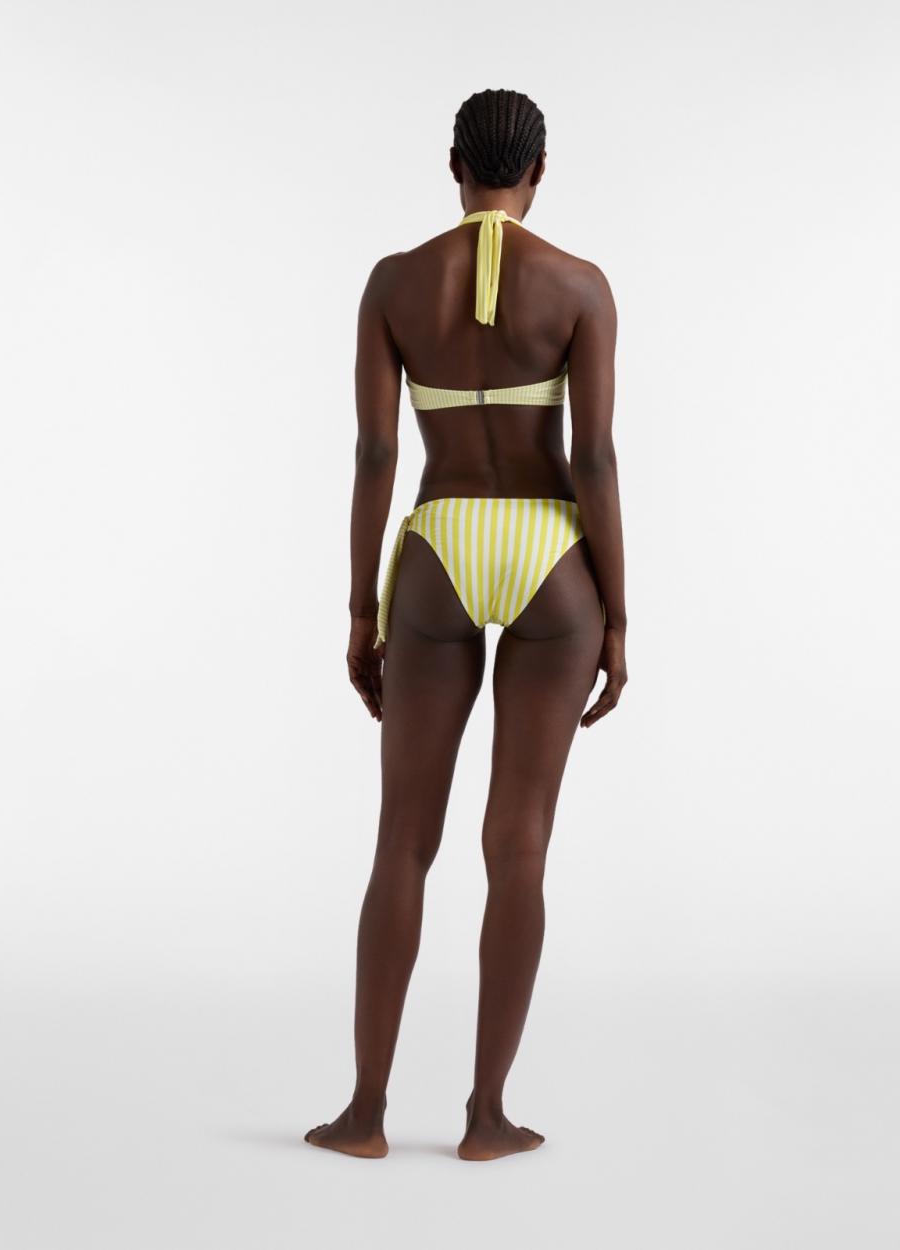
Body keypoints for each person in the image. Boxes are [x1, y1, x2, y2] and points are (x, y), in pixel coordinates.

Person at [306, 88, 627, 1162]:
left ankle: (363, 1114)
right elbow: (593, 459)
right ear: (539, 172)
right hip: (552, 561)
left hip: (439, 548)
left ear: (454, 166)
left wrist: (363, 607)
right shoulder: (578, 284)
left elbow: (374, 454)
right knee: (517, 844)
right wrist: (618, 615)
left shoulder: (394, 283)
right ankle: (486, 1117)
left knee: (403, 837)